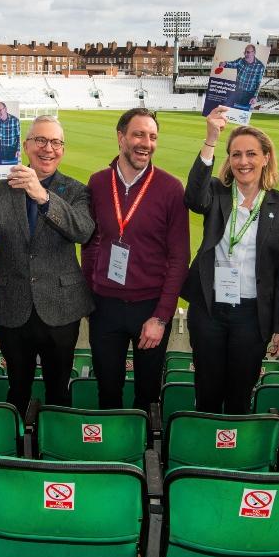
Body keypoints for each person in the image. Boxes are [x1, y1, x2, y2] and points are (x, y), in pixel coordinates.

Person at [0, 115, 94, 413]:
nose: (49, 148)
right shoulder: (0, 190)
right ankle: (15, 452)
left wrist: (43, 196)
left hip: (60, 308)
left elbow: (83, 231)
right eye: (41, 140)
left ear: (63, 149)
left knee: (59, 390)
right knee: (17, 389)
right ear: (25, 146)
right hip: (12, 307)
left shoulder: (75, 190)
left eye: (56, 142)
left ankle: (56, 450)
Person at [182, 106, 279, 414]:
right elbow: (193, 198)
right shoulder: (217, 193)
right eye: (235, 155)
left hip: (252, 315)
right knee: (206, 391)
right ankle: (201, 455)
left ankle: (231, 456)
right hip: (209, 309)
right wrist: (211, 139)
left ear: (265, 157)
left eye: (250, 154)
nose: (243, 162)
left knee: (239, 394)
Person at [82, 107, 190, 410]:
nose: (146, 143)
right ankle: (113, 454)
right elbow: (90, 244)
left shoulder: (170, 188)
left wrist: (161, 317)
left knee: (147, 396)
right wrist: (89, 297)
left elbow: (180, 257)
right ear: (121, 137)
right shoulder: (98, 182)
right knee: (108, 392)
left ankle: (143, 456)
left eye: (153, 136)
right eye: (139, 134)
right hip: (105, 307)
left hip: (150, 308)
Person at [219, 44, 266, 108]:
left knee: (242, 115)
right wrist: (224, 64)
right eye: (245, 52)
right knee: (231, 113)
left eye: (248, 52)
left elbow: (259, 83)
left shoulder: (260, 66)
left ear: (254, 53)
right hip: (237, 92)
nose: (246, 54)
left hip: (249, 95)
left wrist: (255, 97)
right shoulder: (240, 61)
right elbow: (231, 64)